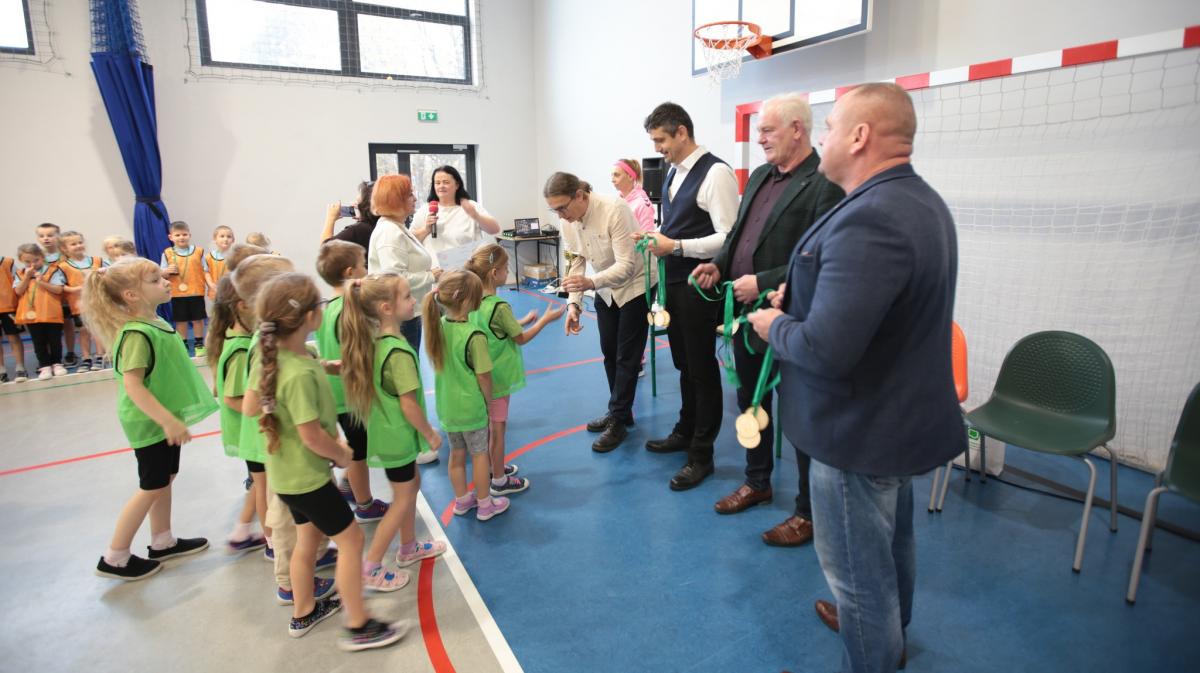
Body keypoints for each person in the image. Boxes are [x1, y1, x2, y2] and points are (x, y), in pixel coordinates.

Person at [747, 83, 964, 673]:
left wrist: (775, 324)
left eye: (830, 127)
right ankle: (889, 635)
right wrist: (806, 298)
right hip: (893, 419)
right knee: (892, 547)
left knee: (858, 577)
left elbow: (826, 349)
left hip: (858, 430)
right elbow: (881, 310)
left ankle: (873, 643)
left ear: (861, 135)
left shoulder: (871, 218)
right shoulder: (918, 202)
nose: (823, 138)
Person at [691, 93, 844, 546]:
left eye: (767, 130)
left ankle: (808, 512)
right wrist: (719, 263)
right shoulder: (759, 175)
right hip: (747, 316)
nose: (759, 138)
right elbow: (740, 235)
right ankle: (757, 482)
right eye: (758, 130)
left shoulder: (825, 181)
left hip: (794, 319)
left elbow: (820, 256)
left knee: (799, 415)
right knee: (750, 402)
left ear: (797, 129)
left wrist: (762, 281)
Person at [252, 272, 403, 651]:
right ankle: (358, 624)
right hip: (310, 479)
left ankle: (303, 610)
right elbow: (312, 436)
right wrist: (342, 454)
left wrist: (325, 366)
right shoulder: (299, 372)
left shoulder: (281, 356)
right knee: (351, 540)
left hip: (285, 476)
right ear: (309, 317)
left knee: (307, 539)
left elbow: (260, 401)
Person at [85, 257, 219, 580]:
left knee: (165, 478)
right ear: (132, 294)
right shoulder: (135, 334)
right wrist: (166, 421)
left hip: (162, 416)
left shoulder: (154, 322)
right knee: (151, 485)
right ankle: (115, 556)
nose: (166, 281)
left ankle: (162, 540)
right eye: (156, 280)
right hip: (148, 421)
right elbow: (133, 386)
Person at [637, 102, 737, 491]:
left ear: (682, 132)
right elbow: (677, 226)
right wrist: (658, 239)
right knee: (683, 364)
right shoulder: (672, 173)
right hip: (674, 283)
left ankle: (702, 453)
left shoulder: (716, 173)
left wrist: (676, 246)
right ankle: (686, 429)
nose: (658, 148)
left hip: (700, 286)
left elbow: (728, 237)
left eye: (661, 140)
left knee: (701, 368)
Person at [234, 253, 337, 604]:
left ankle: (310, 562)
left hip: (296, 449)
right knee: (287, 521)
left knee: (306, 519)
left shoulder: (283, 344)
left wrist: (322, 365)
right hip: (285, 451)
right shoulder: (262, 348)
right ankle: (289, 583)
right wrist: (286, 401)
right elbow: (251, 405)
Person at [340, 273, 448, 591]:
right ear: (386, 308)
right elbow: (408, 404)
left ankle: (408, 546)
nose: (413, 300)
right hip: (397, 435)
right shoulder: (397, 353)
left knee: (411, 485)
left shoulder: (377, 343)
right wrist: (429, 433)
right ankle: (372, 566)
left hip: (389, 434)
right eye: (406, 297)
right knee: (401, 499)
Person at [546, 172, 651, 453]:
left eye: (562, 208)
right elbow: (576, 262)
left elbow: (627, 265)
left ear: (580, 195)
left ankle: (618, 418)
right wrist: (573, 304)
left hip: (635, 285)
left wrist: (590, 283)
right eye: (555, 210)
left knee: (627, 357)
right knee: (609, 352)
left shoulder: (614, 209)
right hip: (604, 287)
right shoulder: (567, 220)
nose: (561, 215)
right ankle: (620, 411)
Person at [465, 244, 563, 493]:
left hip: (478, 376)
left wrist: (521, 320)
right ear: (495, 272)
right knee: (498, 430)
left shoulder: (473, 302)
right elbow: (520, 338)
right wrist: (544, 320)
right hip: (497, 379)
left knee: (488, 426)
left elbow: (494, 328)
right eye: (506, 267)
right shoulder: (499, 306)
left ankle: (491, 467)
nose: (508, 271)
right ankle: (499, 480)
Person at [423, 270, 510, 521]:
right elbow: (484, 377)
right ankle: (485, 504)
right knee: (480, 456)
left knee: (457, 455)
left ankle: (462, 501)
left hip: (447, 408)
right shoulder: (474, 335)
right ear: (466, 299)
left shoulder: (438, 326)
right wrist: (488, 402)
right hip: (471, 408)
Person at [315, 240, 391, 519]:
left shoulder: (328, 308)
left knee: (357, 445)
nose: (366, 269)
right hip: (350, 395)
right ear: (350, 272)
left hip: (336, 391)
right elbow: (356, 355)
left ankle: (350, 486)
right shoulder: (348, 311)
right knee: (359, 453)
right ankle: (365, 504)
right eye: (363, 264)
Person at [206, 275, 268, 554]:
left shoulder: (236, 339)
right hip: (252, 430)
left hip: (251, 430)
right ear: (243, 305)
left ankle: (242, 531)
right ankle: (273, 543)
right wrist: (268, 414)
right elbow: (232, 398)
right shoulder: (242, 348)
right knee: (265, 487)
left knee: (259, 484)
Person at [368, 174, 441, 354]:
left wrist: (425, 230)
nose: (415, 199)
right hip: (400, 316)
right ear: (395, 200)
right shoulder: (390, 232)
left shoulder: (396, 227)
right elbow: (396, 279)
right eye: (409, 195)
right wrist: (430, 276)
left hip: (407, 312)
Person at [411, 165, 501, 255]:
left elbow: (495, 229)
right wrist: (425, 230)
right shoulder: (425, 209)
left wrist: (476, 216)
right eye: (437, 183)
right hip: (434, 264)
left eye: (446, 182)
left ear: (457, 185)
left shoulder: (470, 206)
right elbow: (409, 241)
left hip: (467, 263)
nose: (441, 186)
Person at [13, 243, 67, 380]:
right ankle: (45, 366)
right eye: (27, 262)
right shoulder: (20, 273)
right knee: (38, 341)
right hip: (32, 316)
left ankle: (57, 363)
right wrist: (27, 277)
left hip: (51, 313)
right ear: (21, 260)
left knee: (55, 340)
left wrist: (41, 282)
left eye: (36, 260)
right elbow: (18, 291)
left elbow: (59, 289)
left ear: (42, 257)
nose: (32, 264)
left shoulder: (53, 270)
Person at [56, 231, 108, 372]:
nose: (78, 245)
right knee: (84, 330)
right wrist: (76, 289)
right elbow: (60, 286)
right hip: (79, 304)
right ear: (64, 248)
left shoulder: (97, 261)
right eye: (73, 244)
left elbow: (110, 273)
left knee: (97, 329)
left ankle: (100, 356)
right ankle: (86, 357)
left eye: (80, 242)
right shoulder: (63, 266)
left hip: (98, 301)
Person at [160, 221, 211, 357]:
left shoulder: (199, 252)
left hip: (196, 292)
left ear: (189, 235)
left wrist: (211, 286)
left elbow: (206, 270)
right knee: (180, 321)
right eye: (177, 235)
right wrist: (166, 271)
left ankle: (199, 344)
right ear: (171, 237)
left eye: (184, 234)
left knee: (198, 319)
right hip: (177, 294)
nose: (181, 237)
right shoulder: (167, 253)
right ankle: (183, 344)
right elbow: (161, 273)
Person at [36, 223, 78, 368]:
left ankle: (71, 352)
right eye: (42, 236)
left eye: (50, 235)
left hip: (65, 296)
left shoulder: (65, 256)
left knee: (67, 324)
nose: (46, 238)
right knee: (48, 329)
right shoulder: (38, 257)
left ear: (58, 236)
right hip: (47, 298)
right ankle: (48, 358)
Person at [321, 180, 380, 251]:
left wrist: (330, 218)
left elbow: (326, 249)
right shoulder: (381, 223)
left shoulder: (358, 230)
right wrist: (365, 217)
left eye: (360, 194)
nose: (356, 198)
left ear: (364, 204)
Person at [0, 253, 29, 382]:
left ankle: (20, 368)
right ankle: (1, 370)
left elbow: (18, 282)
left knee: (14, 338)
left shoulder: (7, 262)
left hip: (9, 307)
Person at [611, 158, 657, 232]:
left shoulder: (642, 204)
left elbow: (647, 235)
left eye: (617, 175)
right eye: (612, 175)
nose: (612, 180)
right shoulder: (617, 199)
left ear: (630, 177)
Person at [205, 225, 236, 295]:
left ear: (233, 240)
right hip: (214, 291)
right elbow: (206, 272)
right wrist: (210, 284)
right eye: (222, 236)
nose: (225, 239)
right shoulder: (209, 257)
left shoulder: (235, 257)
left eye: (229, 236)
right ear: (215, 239)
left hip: (230, 293)